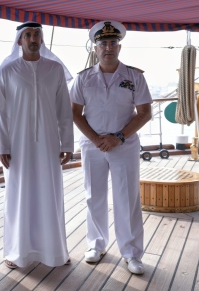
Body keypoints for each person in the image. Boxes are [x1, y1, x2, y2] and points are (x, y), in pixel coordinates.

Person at [70, 20, 152, 275]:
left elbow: (145, 112)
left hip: (123, 146)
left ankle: (131, 253)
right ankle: (96, 245)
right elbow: (74, 112)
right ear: (95, 48)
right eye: (103, 43)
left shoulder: (134, 77)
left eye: (113, 43)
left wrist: (118, 137)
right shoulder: (83, 79)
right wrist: (96, 139)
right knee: (93, 195)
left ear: (119, 46)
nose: (108, 47)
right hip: (92, 146)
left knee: (126, 199)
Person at [0, 21, 74, 269]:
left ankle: (54, 251)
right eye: (27, 35)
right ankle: (17, 252)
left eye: (36, 34)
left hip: (50, 143)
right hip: (17, 146)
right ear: (19, 40)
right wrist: (2, 146)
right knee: (18, 196)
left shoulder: (55, 70)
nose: (32, 39)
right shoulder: (6, 71)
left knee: (49, 194)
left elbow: (64, 110)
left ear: (41, 39)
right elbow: (0, 112)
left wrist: (67, 143)